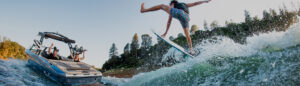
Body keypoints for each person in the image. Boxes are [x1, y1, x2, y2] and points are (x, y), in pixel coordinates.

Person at [141, 0, 212, 54]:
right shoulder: (185, 4)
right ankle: (191, 50)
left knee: (161, 6)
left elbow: (169, 21)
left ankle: (144, 10)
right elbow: (195, 3)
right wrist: (205, 1)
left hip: (179, 13)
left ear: (172, 3)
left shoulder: (173, 6)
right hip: (186, 17)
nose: (169, 6)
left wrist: (165, 33)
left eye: (170, 5)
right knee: (187, 35)